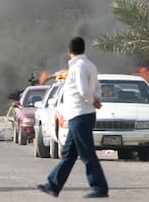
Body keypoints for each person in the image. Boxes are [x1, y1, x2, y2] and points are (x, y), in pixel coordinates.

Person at [37, 37, 109, 198]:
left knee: (87, 153)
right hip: (82, 114)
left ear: (69, 51)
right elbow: (97, 88)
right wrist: (96, 100)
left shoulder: (78, 67)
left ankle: (99, 187)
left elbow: (83, 90)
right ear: (83, 49)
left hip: (80, 115)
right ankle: (53, 185)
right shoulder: (90, 65)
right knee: (68, 154)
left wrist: (91, 100)